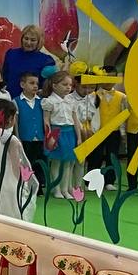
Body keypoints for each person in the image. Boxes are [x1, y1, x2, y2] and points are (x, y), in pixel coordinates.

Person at [42, 68, 82, 198]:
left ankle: (65, 189)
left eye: (70, 85)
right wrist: (49, 137)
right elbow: (46, 120)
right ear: (54, 86)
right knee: (56, 162)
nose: (68, 87)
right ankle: (56, 189)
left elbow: (75, 120)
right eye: (64, 84)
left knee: (69, 162)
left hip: (70, 133)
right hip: (56, 133)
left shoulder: (71, 101)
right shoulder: (49, 101)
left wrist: (79, 137)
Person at [1, 25, 56, 99]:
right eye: (26, 38)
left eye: (33, 40)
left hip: (32, 101)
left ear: (39, 42)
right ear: (22, 38)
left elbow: (47, 86)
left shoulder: (46, 60)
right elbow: (5, 76)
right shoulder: (11, 54)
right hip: (10, 99)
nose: (28, 42)